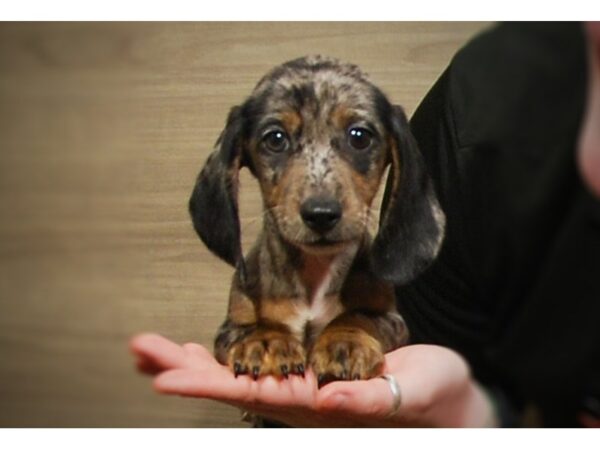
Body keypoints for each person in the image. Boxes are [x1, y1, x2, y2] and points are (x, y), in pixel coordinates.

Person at [130, 22, 600, 427]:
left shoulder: (375, 287)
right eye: (276, 139)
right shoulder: (484, 107)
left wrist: (358, 332)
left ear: (395, 158)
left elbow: (391, 327)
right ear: (239, 161)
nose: (320, 196)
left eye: (358, 138)